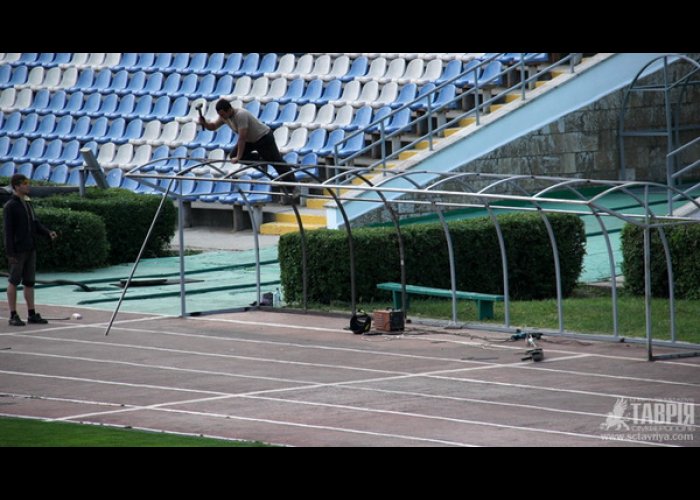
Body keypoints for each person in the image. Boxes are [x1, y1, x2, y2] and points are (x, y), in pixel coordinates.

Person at [199, 99, 298, 204]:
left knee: (276, 161)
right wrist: (204, 123)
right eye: (220, 115)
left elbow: (242, 138)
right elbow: (213, 126)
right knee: (234, 155)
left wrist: (238, 157)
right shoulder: (224, 117)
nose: (222, 117)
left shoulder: (241, 115)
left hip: (263, 137)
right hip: (250, 140)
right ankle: (260, 158)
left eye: (223, 114)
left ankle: (293, 185)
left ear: (229, 110)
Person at [3, 174, 57, 326]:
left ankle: (31, 313)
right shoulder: (10, 206)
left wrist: (47, 232)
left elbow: (35, 223)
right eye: (25, 183)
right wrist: (10, 253)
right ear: (16, 186)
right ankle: (13, 314)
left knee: (29, 282)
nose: (28, 186)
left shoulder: (27, 203)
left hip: (30, 247)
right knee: (13, 281)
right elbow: (7, 232)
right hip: (18, 249)